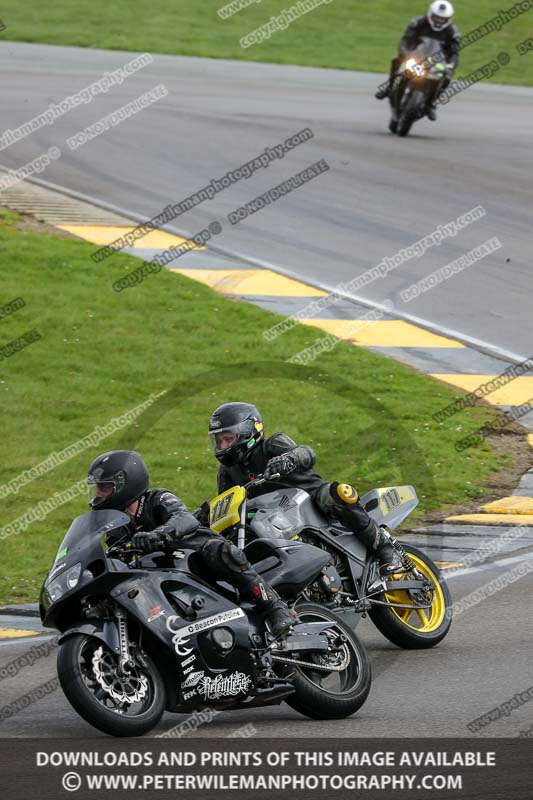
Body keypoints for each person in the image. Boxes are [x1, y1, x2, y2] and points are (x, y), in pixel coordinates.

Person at [86, 449, 295, 638]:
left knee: (221, 552)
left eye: (104, 488)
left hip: (195, 553)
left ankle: (274, 607)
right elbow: (116, 554)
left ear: (126, 483)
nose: (98, 495)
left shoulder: (157, 498)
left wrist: (159, 534)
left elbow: (184, 518)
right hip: (164, 571)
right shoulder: (117, 525)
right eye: (98, 489)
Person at [204, 402, 403, 575]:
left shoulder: (272, 444)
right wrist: (204, 514)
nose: (223, 445)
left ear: (248, 432)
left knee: (338, 493)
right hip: (272, 517)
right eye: (219, 440)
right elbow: (227, 501)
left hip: (311, 500)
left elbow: (306, 453)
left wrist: (288, 458)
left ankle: (385, 549)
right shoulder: (227, 470)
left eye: (228, 439)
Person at [375, 1, 460, 120]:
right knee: (397, 61)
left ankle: (431, 104)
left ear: (448, 19)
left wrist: (451, 65)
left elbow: (454, 52)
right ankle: (389, 87)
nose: (439, 21)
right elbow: (405, 39)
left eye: (442, 19)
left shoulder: (452, 32)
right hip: (415, 55)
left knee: (447, 76)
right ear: (430, 14)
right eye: (437, 17)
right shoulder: (418, 22)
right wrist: (404, 52)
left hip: (436, 62)